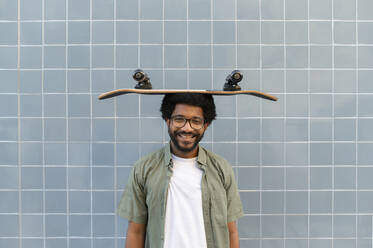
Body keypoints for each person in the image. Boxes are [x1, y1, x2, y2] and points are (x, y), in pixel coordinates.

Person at [118, 93, 243, 248]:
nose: (187, 128)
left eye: (196, 121)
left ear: (206, 125)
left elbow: (231, 231)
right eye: (179, 119)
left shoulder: (222, 168)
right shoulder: (143, 169)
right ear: (167, 121)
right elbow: (136, 232)